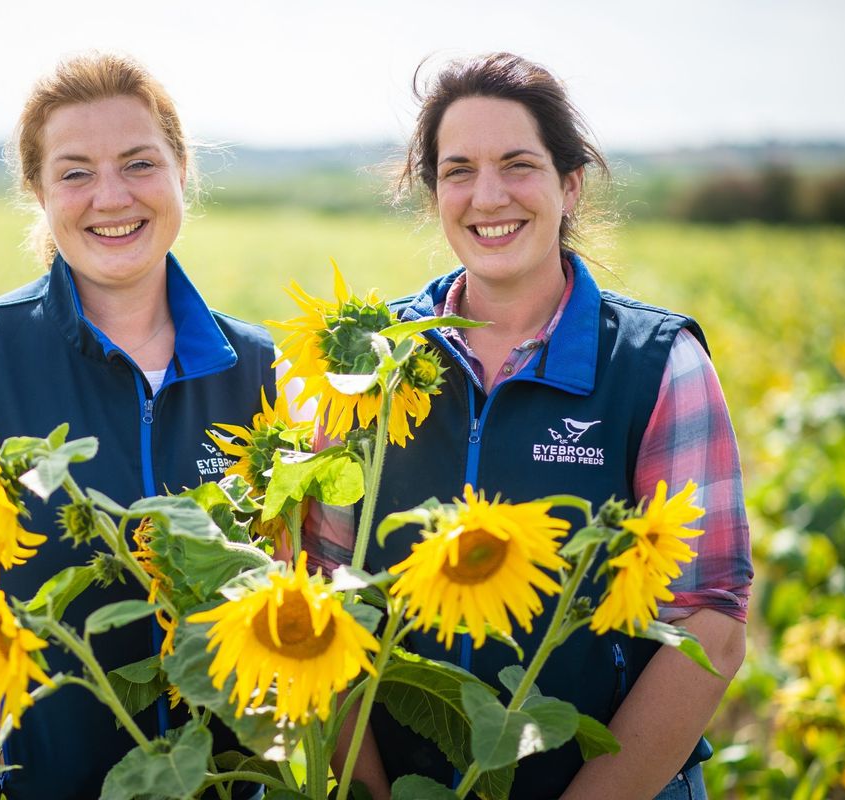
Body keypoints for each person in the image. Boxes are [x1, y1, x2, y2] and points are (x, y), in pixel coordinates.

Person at [304, 52, 752, 799]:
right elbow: (323, 591)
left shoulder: (654, 365)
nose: (487, 196)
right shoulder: (375, 364)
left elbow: (709, 624)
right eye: (457, 170)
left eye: (518, 164)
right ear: (433, 192)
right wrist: (370, 792)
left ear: (569, 183)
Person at [0, 52, 276, 800]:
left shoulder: (260, 370)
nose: (111, 196)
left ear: (181, 174)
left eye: (139, 163)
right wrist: (22, 751)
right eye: (75, 172)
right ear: (37, 193)